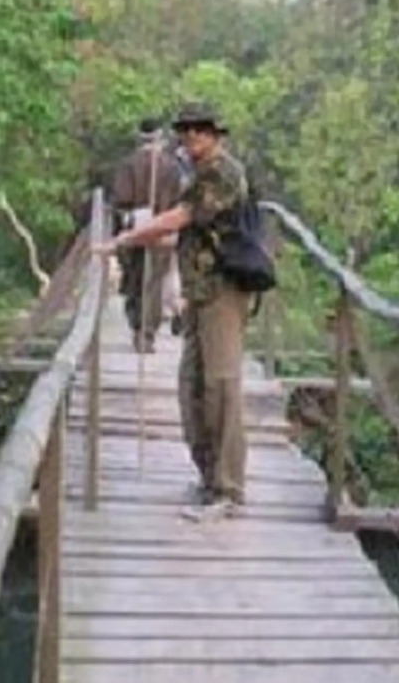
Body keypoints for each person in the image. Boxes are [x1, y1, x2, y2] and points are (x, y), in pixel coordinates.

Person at [96, 103, 250, 521]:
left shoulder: (223, 173)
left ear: (216, 135)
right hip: (199, 293)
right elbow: (185, 228)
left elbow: (181, 217)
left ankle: (229, 490)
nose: (192, 138)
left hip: (224, 291)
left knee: (221, 387)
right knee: (190, 388)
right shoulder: (195, 173)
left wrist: (126, 239)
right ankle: (208, 478)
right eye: (186, 131)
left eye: (200, 131)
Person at [107, 116, 185, 352]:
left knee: (135, 278)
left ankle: (138, 326)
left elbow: (120, 199)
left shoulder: (128, 164)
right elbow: (178, 200)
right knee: (153, 281)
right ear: (160, 137)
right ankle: (146, 333)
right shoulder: (171, 166)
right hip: (162, 230)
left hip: (134, 229)